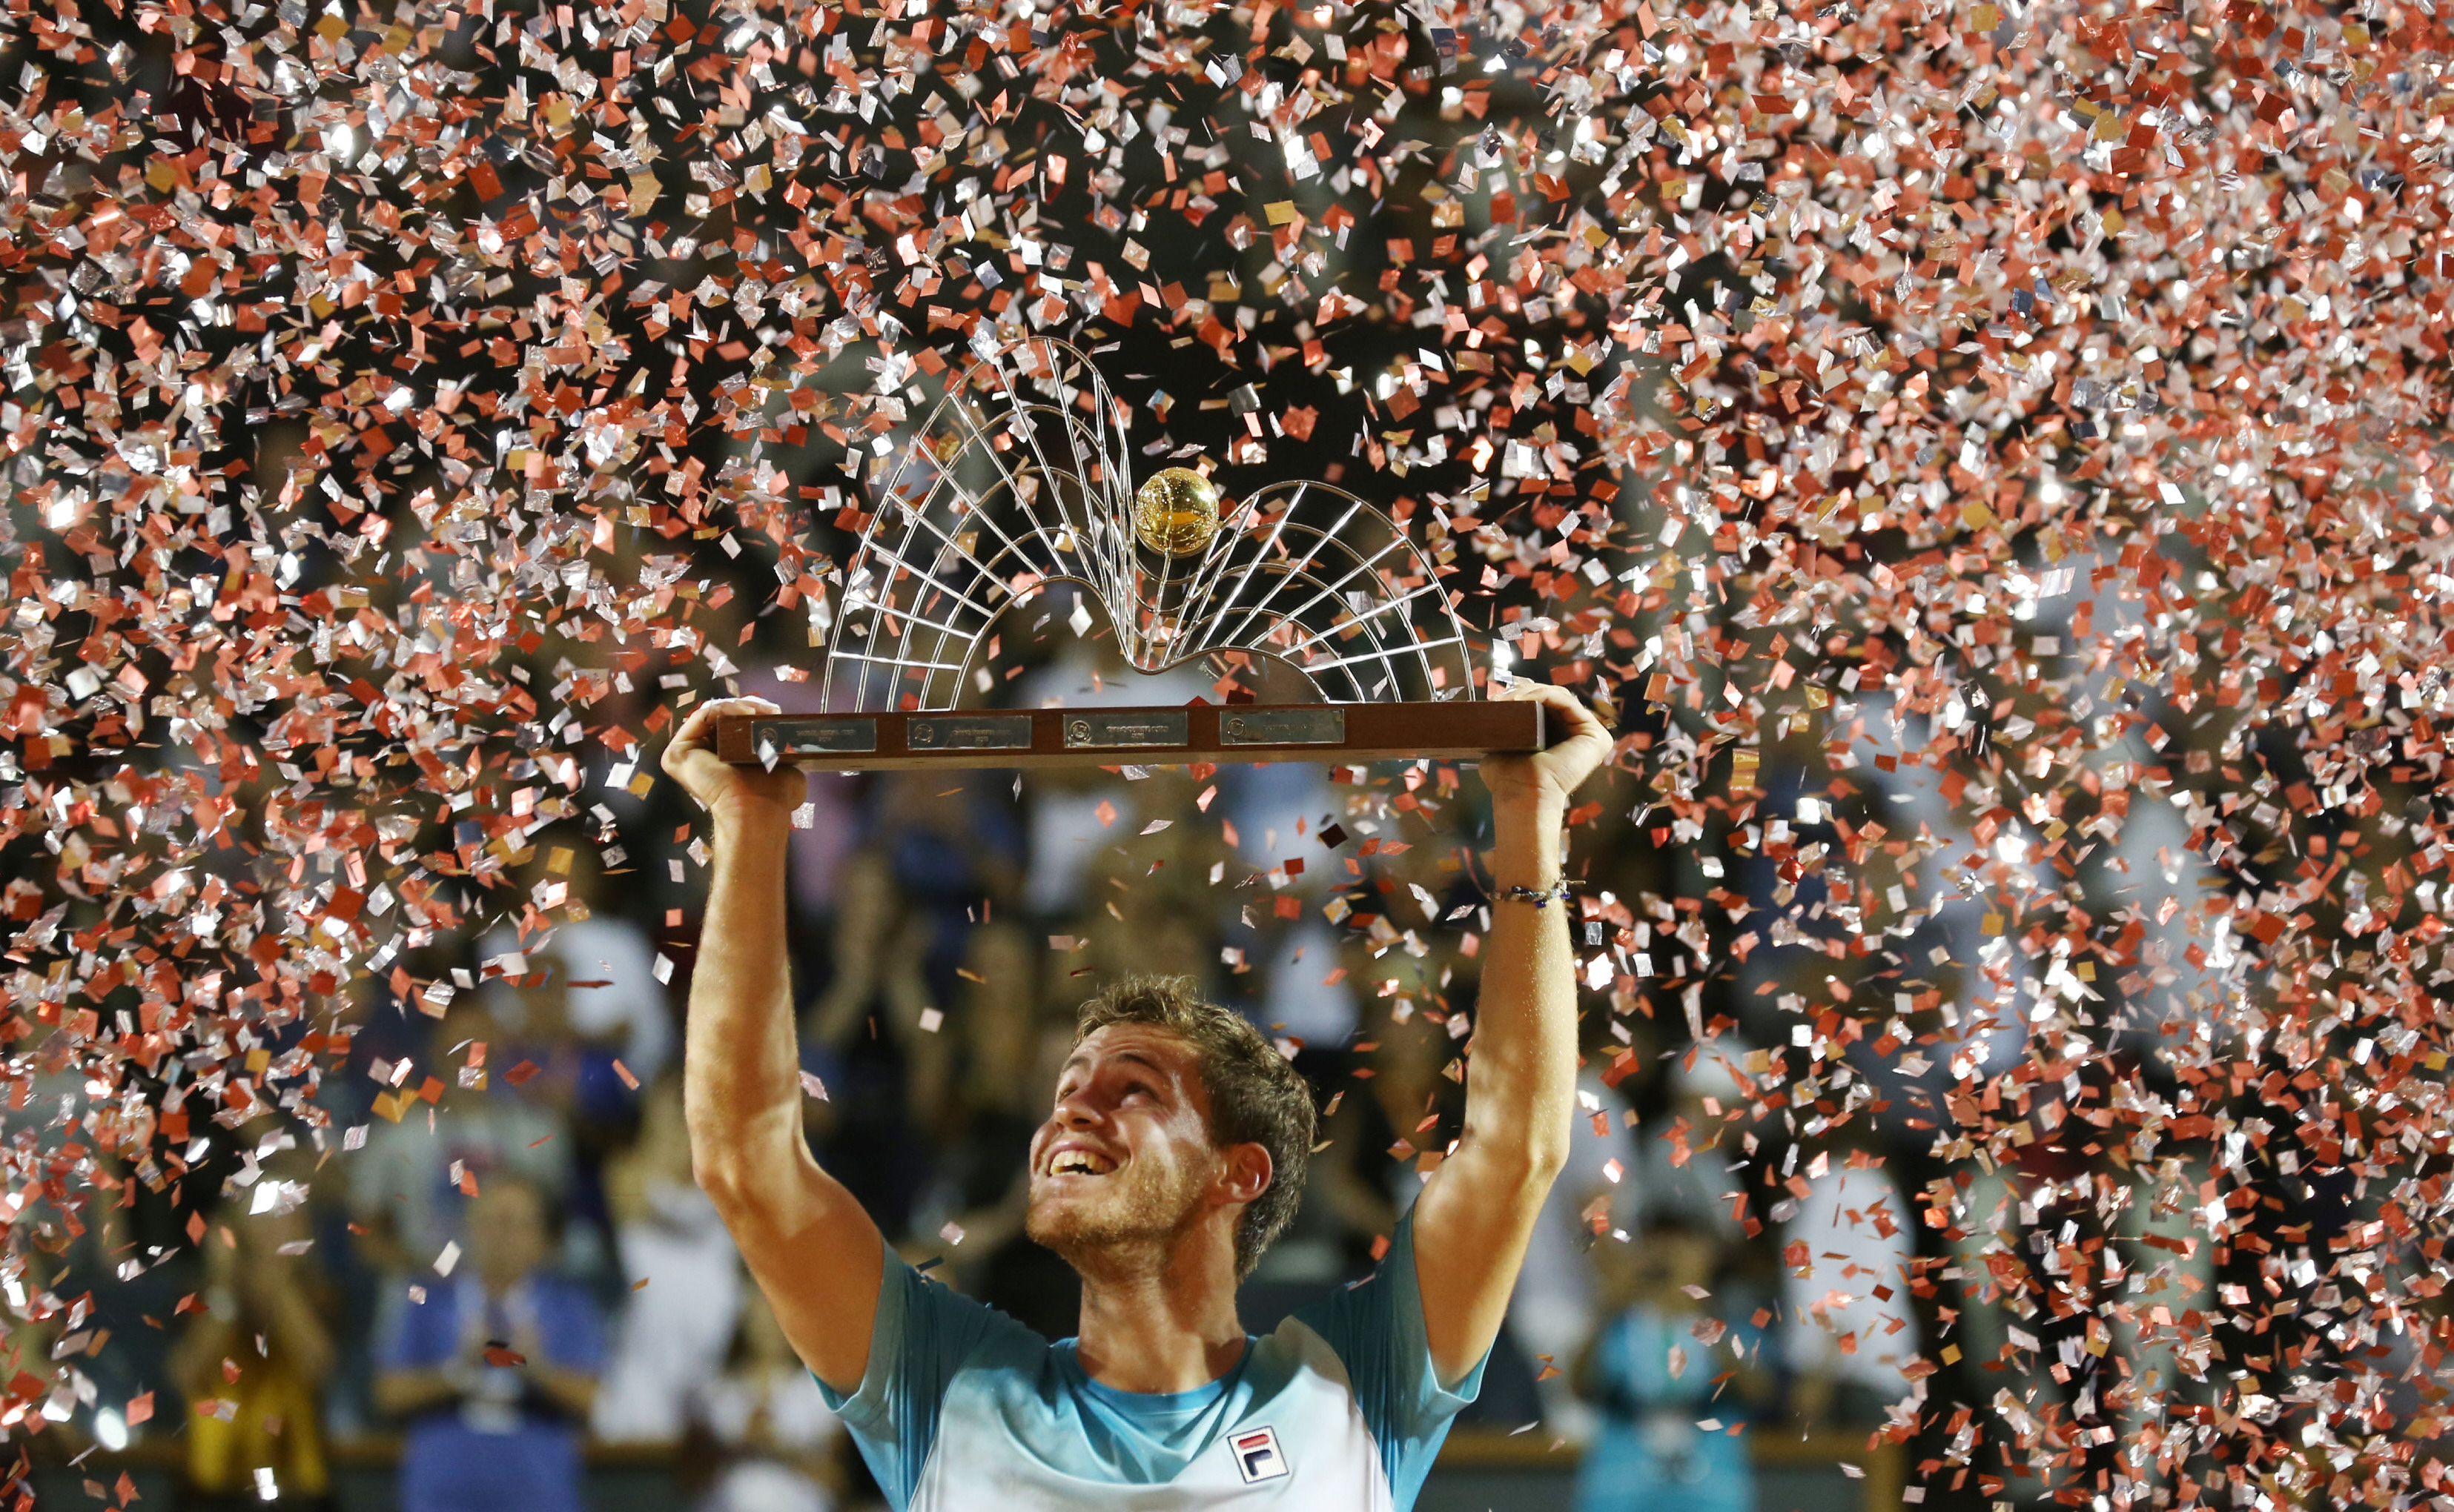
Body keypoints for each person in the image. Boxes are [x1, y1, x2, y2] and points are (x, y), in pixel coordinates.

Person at [661, 683, 1612, 1511]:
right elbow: (747, 1161)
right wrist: (749, 824)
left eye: (1135, 1090)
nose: (1068, 1113)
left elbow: (1513, 1150)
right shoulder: (944, 1383)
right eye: (1066, 1090)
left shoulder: (1356, 1381)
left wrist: (1529, 810)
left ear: (1237, 1171)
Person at [371, 1174, 606, 1512]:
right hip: (442, 1488)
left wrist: (536, 1370)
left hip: (538, 1487)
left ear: (543, 1238)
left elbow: (594, 1400)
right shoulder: (427, 1299)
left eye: (515, 1224)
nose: (500, 1235)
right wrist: (457, 1372)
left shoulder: (568, 1306)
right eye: (490, 1221)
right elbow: (389, 1395)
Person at [1569, 1217, 1769, 1512]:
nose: (1668, 1255)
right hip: (1623, 1488)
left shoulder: (1733, 1322)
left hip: (1709, 1489)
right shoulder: (1620, 1327)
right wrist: (1611, 1305)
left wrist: (1698, 1308)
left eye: (1681, 1245)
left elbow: (1757, 1391)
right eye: (1656, 1244)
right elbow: (1580, 1387)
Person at [168, 1195, 335, 1509]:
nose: (273, 1232)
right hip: (213, 1492)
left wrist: (280, 1286)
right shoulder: (201, 1299)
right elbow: (186, 1374)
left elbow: (318, 1366)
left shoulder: (319, 1298)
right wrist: (225, 1286)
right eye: (262, 1221)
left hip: (296, 1494)